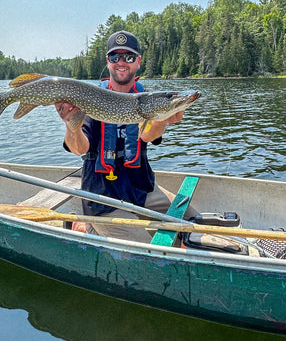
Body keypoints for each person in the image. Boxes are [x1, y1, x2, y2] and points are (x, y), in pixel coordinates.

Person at [56, 30, 189, 242]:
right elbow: (79, 149)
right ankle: (86, 225)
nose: (121, 62)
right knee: (148, 250)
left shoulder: (145, 100)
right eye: (114, 57)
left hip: (140, 189)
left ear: (138, 62)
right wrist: (71, 125)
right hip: (102, 197)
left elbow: (146, 136)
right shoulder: (91, 98)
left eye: (127, 57)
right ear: (107, 62)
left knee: (194, 221)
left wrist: (161, 120)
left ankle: (86, 226)